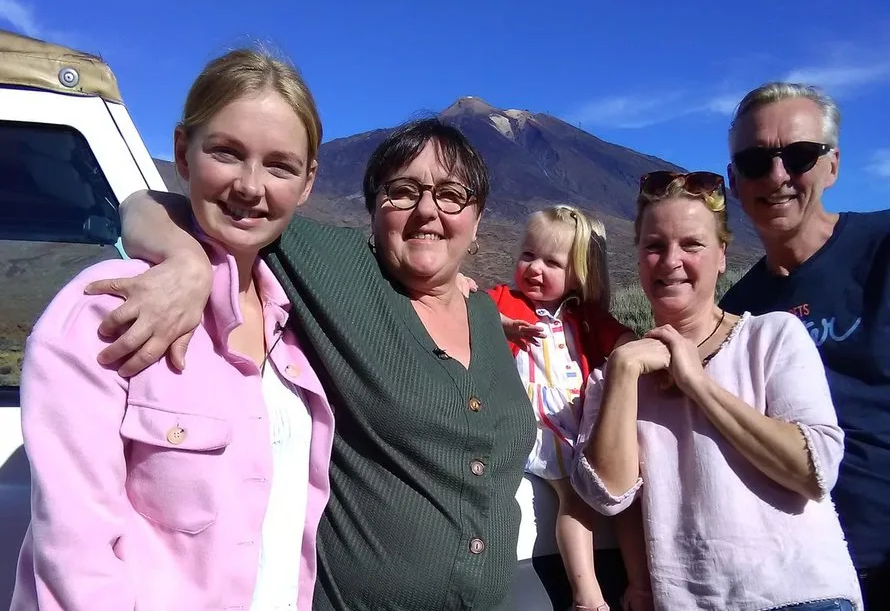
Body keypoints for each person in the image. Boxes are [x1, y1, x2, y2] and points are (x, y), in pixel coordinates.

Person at [83, 117, 536, 610]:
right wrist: (186, 260)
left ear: (477, 219)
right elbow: (147, 204)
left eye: (451, 195)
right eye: (403, 192)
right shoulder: (337, 270)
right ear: (373, 210)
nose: (427, 210)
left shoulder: (484, 314)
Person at [11, 48, 336, 610]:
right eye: (226, 152)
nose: (250, 186)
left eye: (280, 165)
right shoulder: (106, 310)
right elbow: (77, 558)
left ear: (308, 181)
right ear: (183, 152)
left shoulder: (302, 322)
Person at [571, 169, 863, 610]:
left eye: (692, 244)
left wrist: (698, 383)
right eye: (654, 246)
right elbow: (606, 495)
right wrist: (625, 370)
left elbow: (814, 470)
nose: (671, 261)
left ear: (722, 255)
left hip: (802, 596)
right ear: (639, 258)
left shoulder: (771, 337)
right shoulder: (615, 377)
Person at [719, 82, 890, 609]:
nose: (777, 176)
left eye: (799, 156)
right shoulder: (739, 310)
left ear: (832, 165)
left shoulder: (882, 249)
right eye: (755, 161)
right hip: (804, 578)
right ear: (734, 181)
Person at [488, 205, 649, 611]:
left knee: (624, 497)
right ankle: (588, 597)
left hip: (580, 426)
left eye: (551, 262)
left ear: (578, 274)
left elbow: (625, 341)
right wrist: (500, 324)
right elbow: (460, 300)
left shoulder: (586, 317)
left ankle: (641, 584)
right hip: (538, 426)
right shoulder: (505, 300)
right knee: (575, 497)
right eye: (528, 255)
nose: (534, 268)